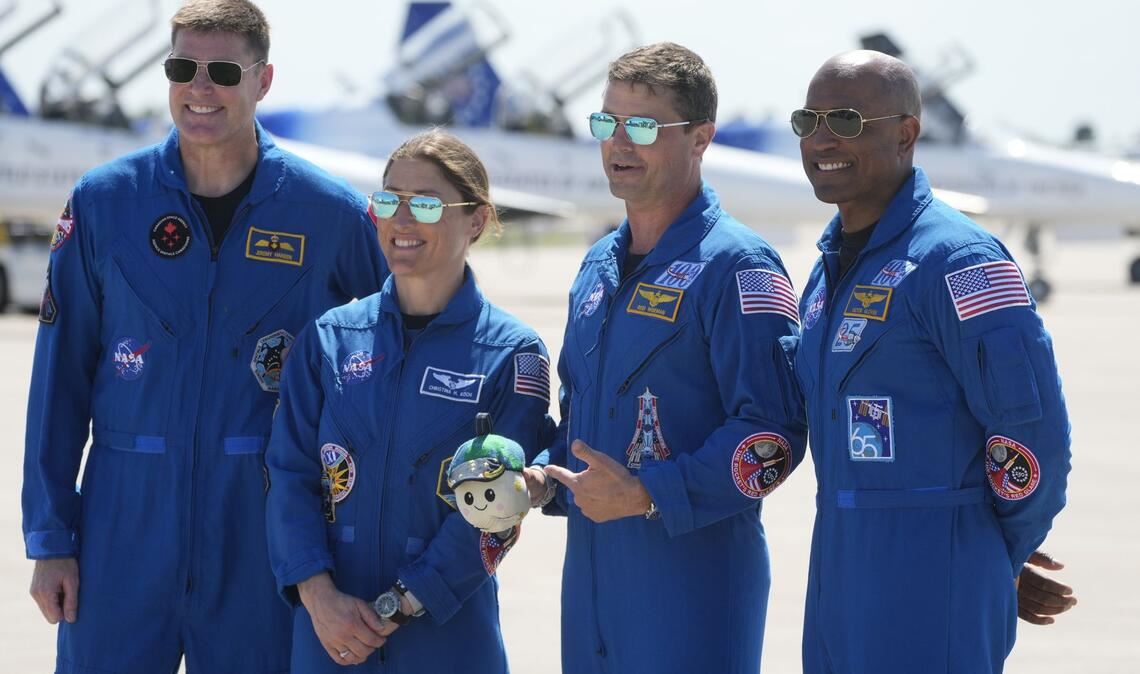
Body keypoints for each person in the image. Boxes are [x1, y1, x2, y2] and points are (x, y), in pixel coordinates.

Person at [22, 1, 387, 671]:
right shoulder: (105, 203)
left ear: (263, 80)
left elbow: (391, 356)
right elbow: (59, 380)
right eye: (182, 67)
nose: (199, 88)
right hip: (122, 531)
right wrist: (50, 537)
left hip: (267, 532)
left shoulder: (328, 214)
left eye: (222, 70)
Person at [530, 42, 807, 674]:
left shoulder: (739, 266)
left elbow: (774, 435)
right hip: (593, 591)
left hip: (692, 589)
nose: (618, 144)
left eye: (644, 126)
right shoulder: (597, 266)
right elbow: (583, 420)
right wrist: (543, 479)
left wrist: (647, 494)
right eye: (607, 123)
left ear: (701, 138)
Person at [791, 50, 1072, 673]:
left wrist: (987, 552)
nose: (823, 138)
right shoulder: (826, 272)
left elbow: (1034, 438)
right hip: (838, 569)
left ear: (906, 133)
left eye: (845, 119)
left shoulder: (960, 260)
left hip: (934, 577)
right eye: (807, 122)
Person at [265, 130, 553, 672]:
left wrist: (401, 603)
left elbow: (498, 510)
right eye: (388, 199)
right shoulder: (329, 339)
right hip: (331, 636)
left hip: (445, 633)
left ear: (476, 219)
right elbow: (288, 474)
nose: (401, 219)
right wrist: (316, 595)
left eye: (425, 203)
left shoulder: (512, 355)